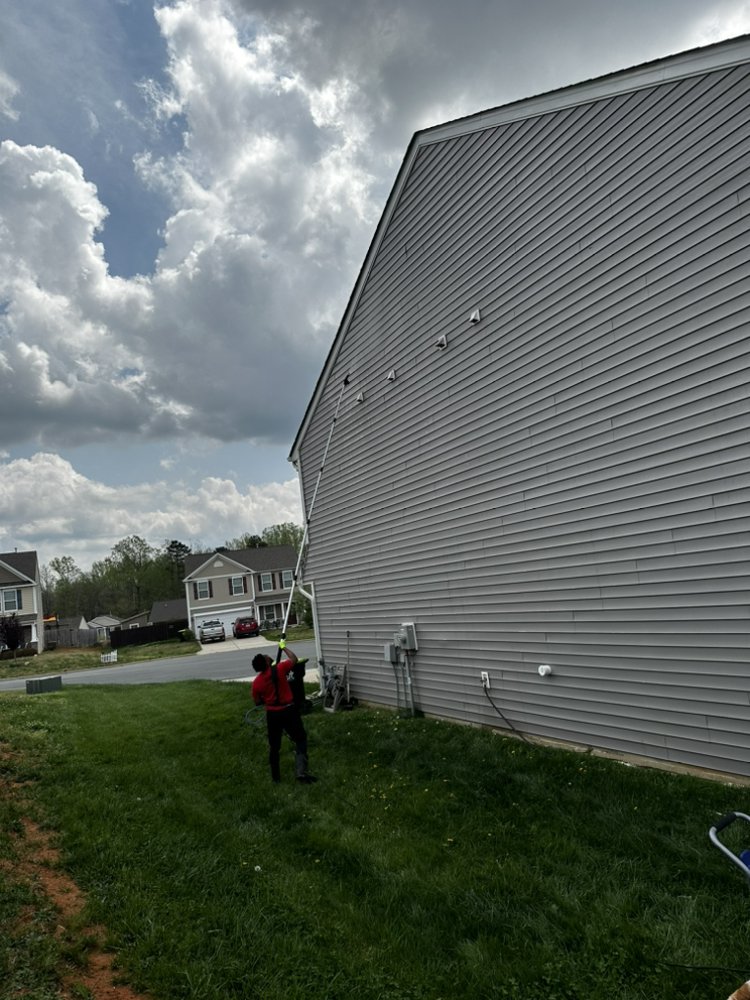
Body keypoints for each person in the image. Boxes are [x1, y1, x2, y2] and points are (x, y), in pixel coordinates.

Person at [251, 641, 317, 784]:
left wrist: (268, 698)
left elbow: (257, 702)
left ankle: (276, 778)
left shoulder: (256, 683)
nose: (267, 656)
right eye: (265, 656)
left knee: (274, 747)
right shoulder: (280, 669)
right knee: (300, 739)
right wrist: (283, 647)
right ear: (266, 662)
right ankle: (301, 772)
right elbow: (294, 659)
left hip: (272, 715)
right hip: (289, 711)